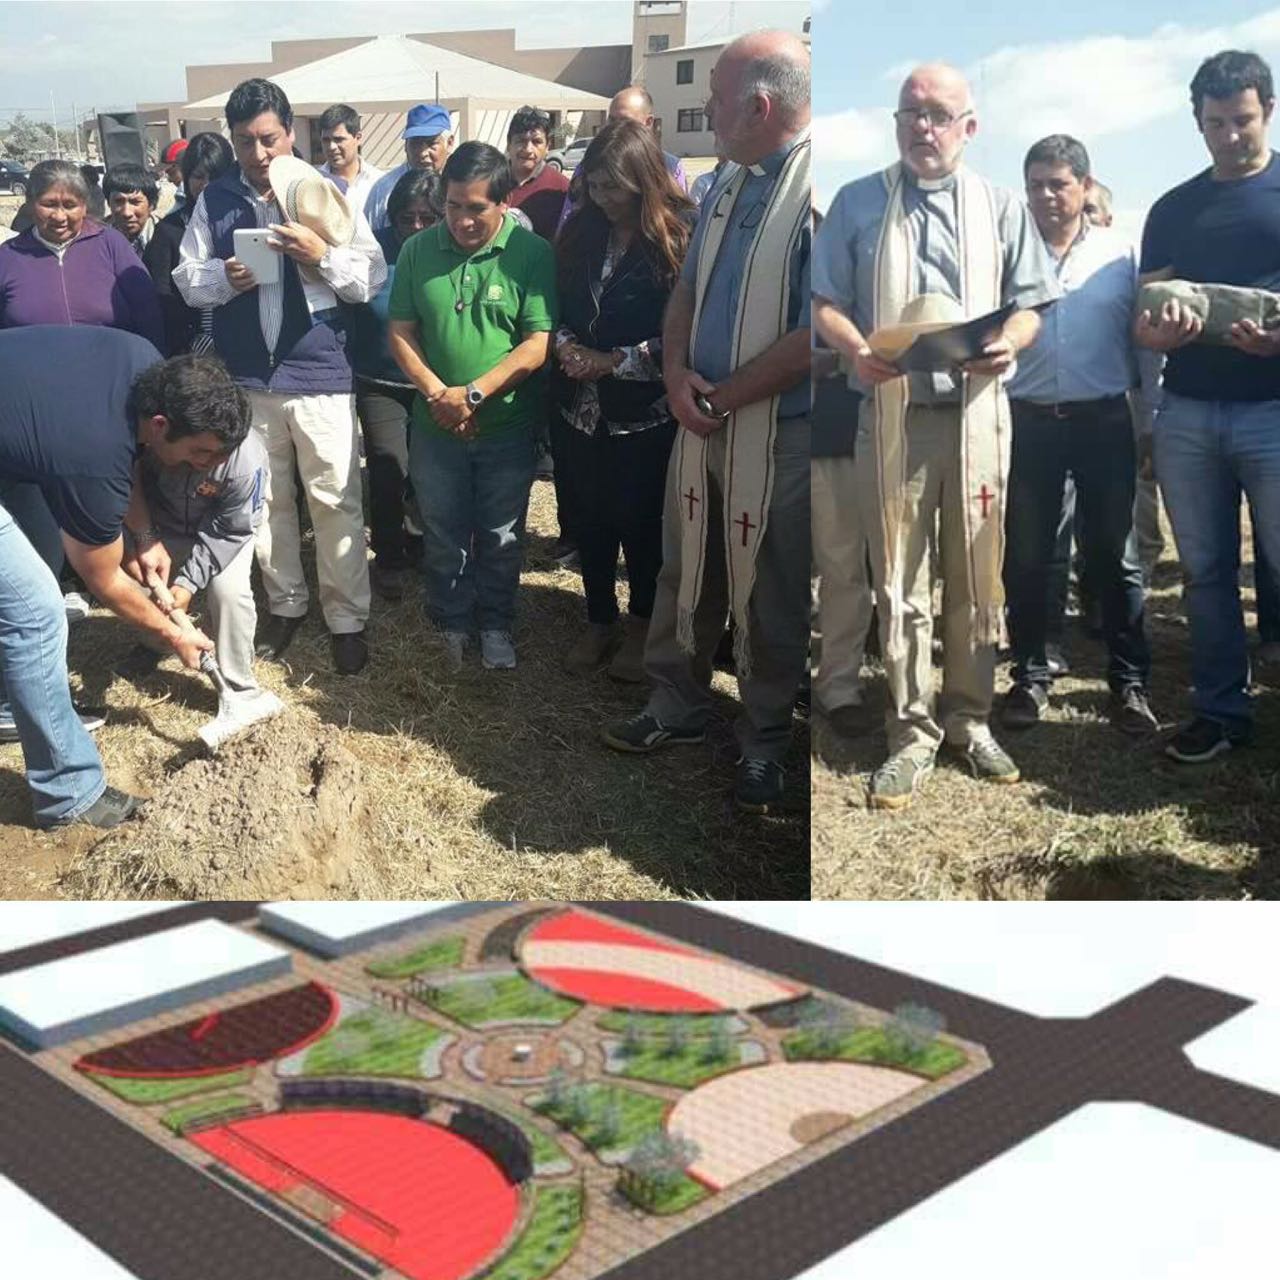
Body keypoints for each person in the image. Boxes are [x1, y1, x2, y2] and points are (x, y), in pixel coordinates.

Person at [812, 62, 1059, 811]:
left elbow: (1030, 302)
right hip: (892, 416)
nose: (924, 127)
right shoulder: (860, 202)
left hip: (977, 417)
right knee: (900, 575)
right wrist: (857, 349)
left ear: (969, 127)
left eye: (939, 115)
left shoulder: (1002, 207)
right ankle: (911, 731)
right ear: (896, 124)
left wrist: (1012, 342)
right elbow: (826, 300)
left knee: (976, 571)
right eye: (911, 113)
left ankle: (971, 718)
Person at [600, 32, 812, 815]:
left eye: (715, 98)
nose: (707, 110)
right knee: (684, 568)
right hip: (702, 416)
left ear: (758, 107)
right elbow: (685, 290)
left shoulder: (820, 192)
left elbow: (818, 334)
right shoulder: (727, 181)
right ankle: (675, 704)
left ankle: (763, 742)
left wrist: (722, 397)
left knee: (771, 592)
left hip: (780, 436)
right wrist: (677, 373)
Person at [173, 77, 386, 676]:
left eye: (268, 139)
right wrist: (226, 276)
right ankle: (287, 604)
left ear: (290, 134)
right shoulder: (214, 200)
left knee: (335, 500)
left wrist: (318, 254)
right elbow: (188, 280)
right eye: (245, 143)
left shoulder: (324, 190)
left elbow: (369, 278)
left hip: (318, 373)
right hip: (249, 378)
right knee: (267, 502)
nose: (259, 154)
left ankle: (346, 618)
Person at [0, 327, 246, 828]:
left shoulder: (147, 367)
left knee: (33, 559)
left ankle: (10, 699)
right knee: (36, 612)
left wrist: (144, 533)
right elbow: (103, 579)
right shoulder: (90, 449)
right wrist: (174, 632)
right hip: (31, 434)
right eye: (200, 453)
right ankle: (68, 795)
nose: (204, 467)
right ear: (161, 424)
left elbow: (127, 454)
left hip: (16, 436)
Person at [1136, 49, 1280, 762]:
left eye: (1243, 121)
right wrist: (1159, 331)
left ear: (1270, 112)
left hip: (1274, 411)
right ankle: (1221, 713)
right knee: (1207, 574)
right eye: (1216, 122)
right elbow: (1144, 315)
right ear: (1197, 122)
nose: (1230, 136)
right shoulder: (1173, 208)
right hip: (1188, 413)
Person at [1001, 134, 1155, 733]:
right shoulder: (1006, 255)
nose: (1046, 195)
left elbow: (1144, 350)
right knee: (1031, 557)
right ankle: (1031, 678)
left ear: (1085, 187)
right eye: (1036, 183)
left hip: (1104, 419)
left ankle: (1130, 683)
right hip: (1029, 422)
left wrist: (1151, 424)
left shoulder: (1122, 256)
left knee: (1117, 555)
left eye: (1059, 183)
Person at [387, 142, 556, 670]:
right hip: (436, 426)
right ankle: (451, 620)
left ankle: (496, 622)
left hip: (505, 425)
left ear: (503, 203)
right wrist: (440, 396)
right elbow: (401, 330)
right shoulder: (418, 251)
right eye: (453, 206)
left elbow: (536, 343)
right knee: (442, 528)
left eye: (476, 208)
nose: (462, 220)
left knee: (502, 533)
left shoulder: (531, 254)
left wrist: (474, 395)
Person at [554, 119, 694, 681]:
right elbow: (557, 308)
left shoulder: (679, 237)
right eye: (595, 186)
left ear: (643, 179)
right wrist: (567, 348)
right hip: (579, 407)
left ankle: (640, 625)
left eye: (615, 187)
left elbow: (686, 334)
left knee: (640, 524)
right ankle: (598, 621)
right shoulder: (580, 234)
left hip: (644, 415)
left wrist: (614, 361)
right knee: (589, 518)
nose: (604, 199)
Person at [116, 417, 269, 692]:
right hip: (164, 523)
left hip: (225, 534)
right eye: (200, 451)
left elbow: (231, 530)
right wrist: (144, 539)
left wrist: (188, 583)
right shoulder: (151, 436)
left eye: (221, 454)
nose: (209, 461)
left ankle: (236, 681)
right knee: (152, 583)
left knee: (230, 593)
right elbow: (125, 485)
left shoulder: (247, 462)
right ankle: (156, 643)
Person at [348, 168, 443, 602]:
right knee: (388, 467)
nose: (417, 227)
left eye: (427, 217)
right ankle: (388, 557)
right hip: (380, 378)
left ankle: (422, 543)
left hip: (434, 381)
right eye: (408, 218)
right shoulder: (372, 248)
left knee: (428, 469)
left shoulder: (448, 249)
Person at [0, 159, 163, 348]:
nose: (59, 216)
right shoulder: (8, 257)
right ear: (29, 204)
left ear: (84, 206)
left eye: (70, 205)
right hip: (33, 374)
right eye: (49, 204)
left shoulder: (111, 244)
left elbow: (148, 315)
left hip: (111, 372)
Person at [143, 132, 234, 356]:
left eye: (216, 177)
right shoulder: (169, 230)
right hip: (189, 353)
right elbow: (161, 295)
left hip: (241, 347)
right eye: (198, 176)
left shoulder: (243, 223)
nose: (207, 185)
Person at [365, 103, 454, 232]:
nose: (423, 153)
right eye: (415, 144)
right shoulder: (384, 189)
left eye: (431, 143)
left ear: (449, 143)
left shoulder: (457, 186)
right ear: (405, 146)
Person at [506, 105, 570, 241]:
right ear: (508, 144)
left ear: (547, 147)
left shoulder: (562, 187)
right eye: (521, 141)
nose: (528, 149)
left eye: (536, 142)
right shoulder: (491, 180)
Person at [608, 87, 690, 192]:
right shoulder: (590, 164)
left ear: (648, 122)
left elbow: (681, 206)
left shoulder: (670, 167)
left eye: (625, 121)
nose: (616, 127)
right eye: (612, 120)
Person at [318, 103, 386, 209]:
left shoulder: (379, 182)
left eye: (338, 139)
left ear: (358, 138)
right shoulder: (314, 182)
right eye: (326, 140)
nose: (331, 147)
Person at [104, 164, 161, 255]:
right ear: (108, 203)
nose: (127, 213)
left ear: (151, 205)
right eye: (118, 201)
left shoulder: (168, 238)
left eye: (135, 202)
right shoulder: (97, 240)